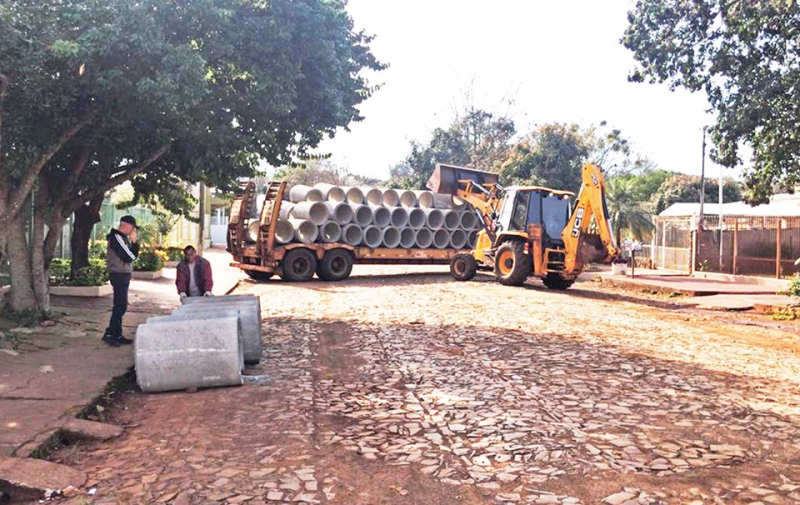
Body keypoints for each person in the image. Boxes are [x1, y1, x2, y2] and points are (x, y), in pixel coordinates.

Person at [102, 215, 139, 347]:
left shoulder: (122, 238)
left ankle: (116, 333)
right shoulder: (116, 237)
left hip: (122, 273)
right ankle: (110, 333)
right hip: (118, 274)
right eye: (133, 227)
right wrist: (134, 243)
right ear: (126, 225)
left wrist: (134, 243)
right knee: (120, 305)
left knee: (121, 304)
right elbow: (130, 257)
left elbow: (132, 255)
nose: (133, 231)